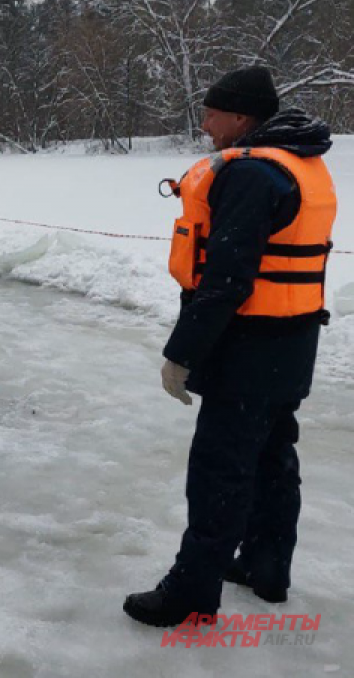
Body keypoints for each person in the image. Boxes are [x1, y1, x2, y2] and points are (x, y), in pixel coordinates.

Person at [123, 66, 337, 627]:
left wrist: (182, 352)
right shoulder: (302, 163)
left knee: (221, 471)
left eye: (212, 113)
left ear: (241, 118)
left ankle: (191, 593)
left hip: (247, 349)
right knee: (272, 458)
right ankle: (266, 568)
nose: (204, 123)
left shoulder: (252, 175)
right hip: (291, 344)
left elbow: (227, 280)